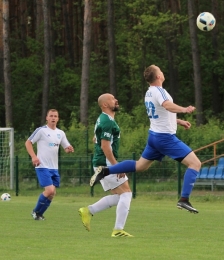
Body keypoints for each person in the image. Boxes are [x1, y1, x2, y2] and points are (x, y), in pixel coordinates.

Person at [90, 65, 201, 213]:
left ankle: (105, 171)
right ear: (158, 77)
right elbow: (167, 106)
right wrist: (184, 109)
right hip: (164, 138)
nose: (162, 72)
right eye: (160, 70)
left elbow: (160, 113)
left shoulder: (149, 92)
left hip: (154, 136)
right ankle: (184, 199)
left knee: (140, 166)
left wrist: (178, 121)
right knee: (195, 164)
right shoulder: (160, 91)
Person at [78, 93, 133, 237]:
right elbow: (105, 146)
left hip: (100, 163)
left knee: (119, 196)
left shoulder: (103, 119)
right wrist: (117, 166)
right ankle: (118, 230)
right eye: (112, 99)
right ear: (105, 105)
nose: (116, 100)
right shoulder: (107, 122)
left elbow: (95, 138)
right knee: (127, 193)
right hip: (106, 164)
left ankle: (88, 211)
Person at [25, 109, 74, 220]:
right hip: (42, 166)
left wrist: (69, 149)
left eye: (55, 116)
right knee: (50, 190)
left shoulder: (60, 133)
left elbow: (66, 147)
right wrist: (34, 156)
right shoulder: (41, 131)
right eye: (51, 116)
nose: (53, 118)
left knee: (52, 193)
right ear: (47, 118)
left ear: (58, 118)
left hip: (54, 167)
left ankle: (39, 214)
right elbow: (28, 142)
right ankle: (35, 211)